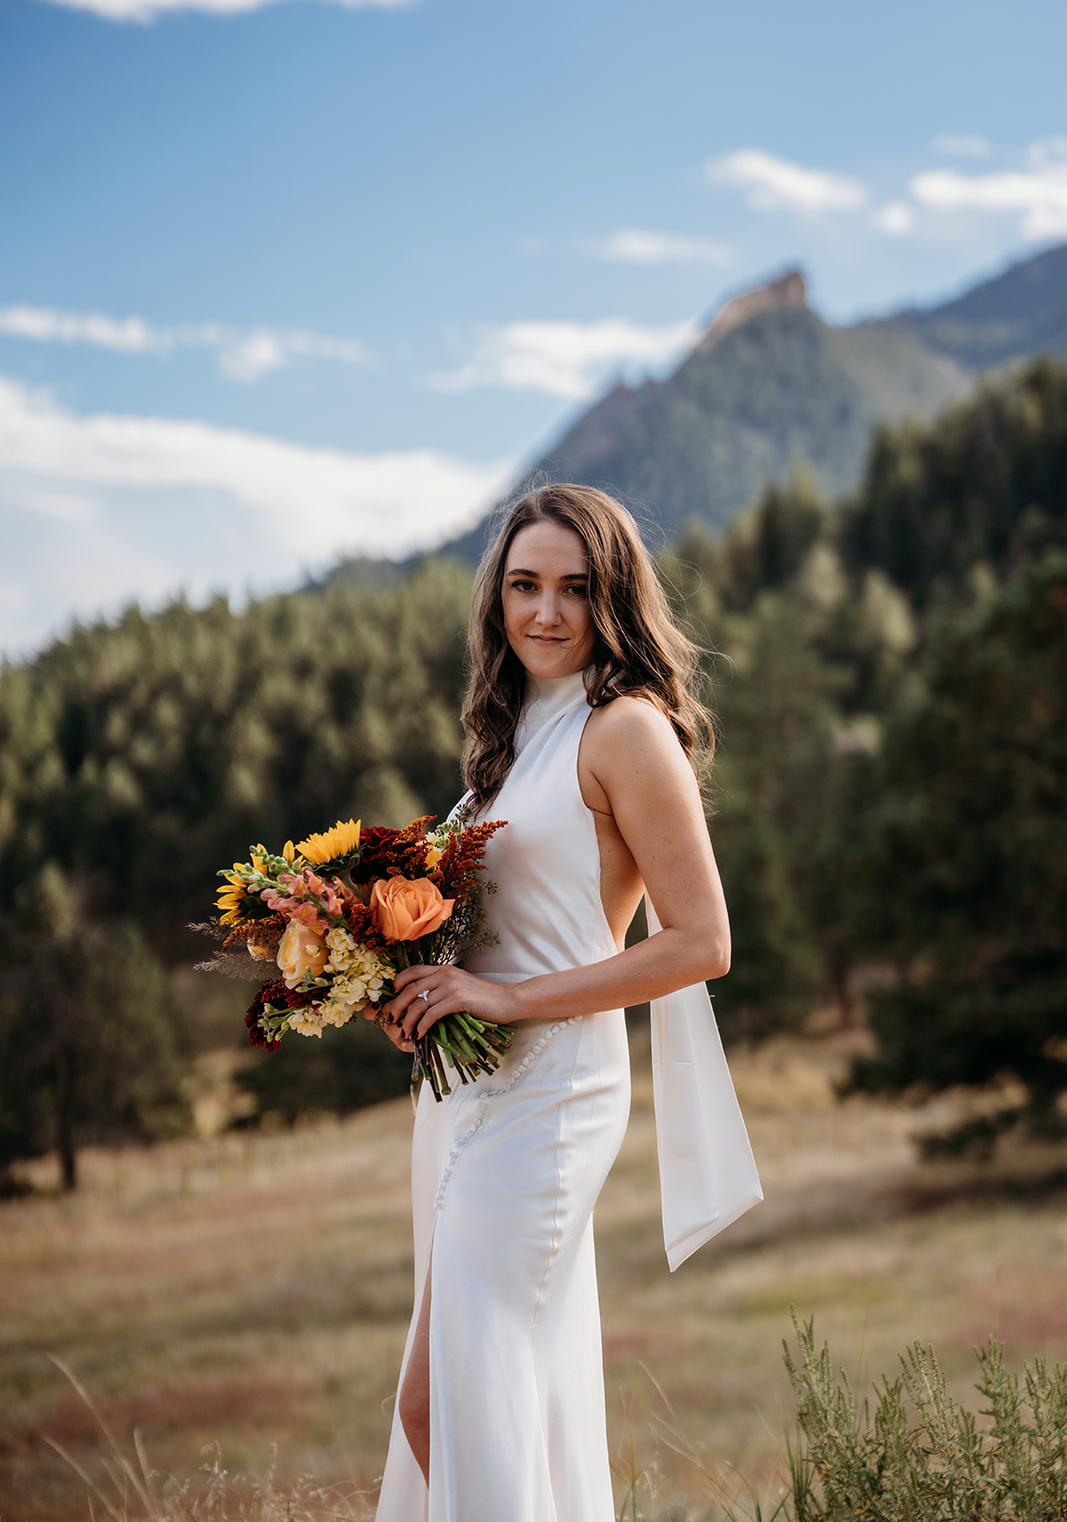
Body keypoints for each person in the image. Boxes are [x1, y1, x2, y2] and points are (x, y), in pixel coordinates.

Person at [369, 483, 761, 1522]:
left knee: (455, 1404)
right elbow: (494, 925)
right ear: (495, 598)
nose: (544, 612)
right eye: (522, 585)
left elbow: (701, 942)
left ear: (613, 597)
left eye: (574, 589)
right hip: (466, 1102)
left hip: (549, 1099)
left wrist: (500, 1000)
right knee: (457, 1405)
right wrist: (399, 980)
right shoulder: (508, 737)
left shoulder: (624, 728)